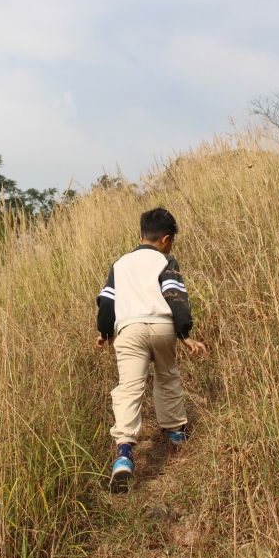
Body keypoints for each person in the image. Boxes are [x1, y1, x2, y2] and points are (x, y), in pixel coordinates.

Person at [95, 207, 207, 493]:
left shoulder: (120, 263)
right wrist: (184, 334)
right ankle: (175, 434)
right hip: (161, 327)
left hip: (129, 330)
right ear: (166, 239)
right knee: (167, 376)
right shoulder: (166, 260)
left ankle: (123, 455)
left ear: (142, 234)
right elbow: (175, 296)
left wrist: (104, 332)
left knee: (129, 388)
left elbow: (107, 302)